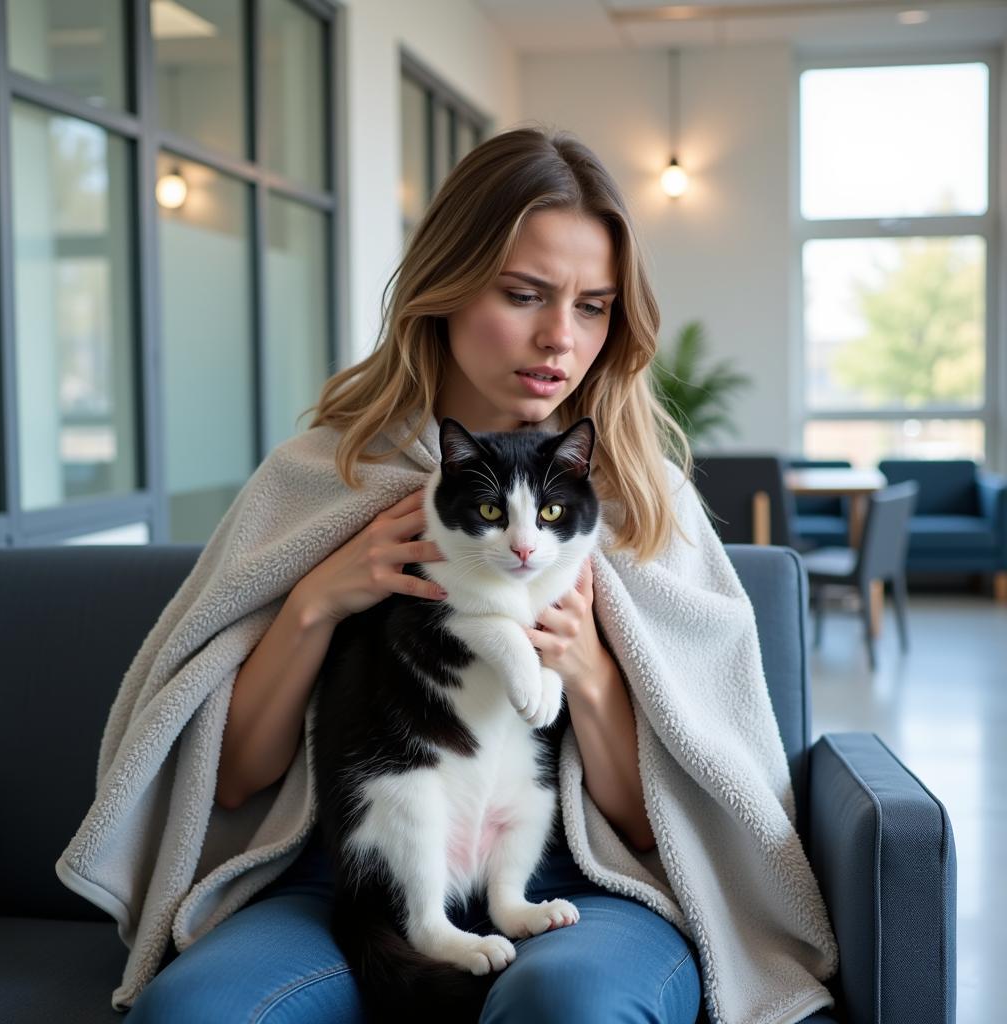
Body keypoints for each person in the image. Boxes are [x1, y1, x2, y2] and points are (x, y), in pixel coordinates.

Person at [123, 125, 721, 1022]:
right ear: (442, 288)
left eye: (594, 306)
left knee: (572, 1007)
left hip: (575, 879)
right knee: (196, 1015)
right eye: (524, 294)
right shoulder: (327, 474)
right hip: (353, 875)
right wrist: (317, 602)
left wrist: (590, 673)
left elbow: (656, 827)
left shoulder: (641, 498)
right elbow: (237, 779)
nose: (560, 337)